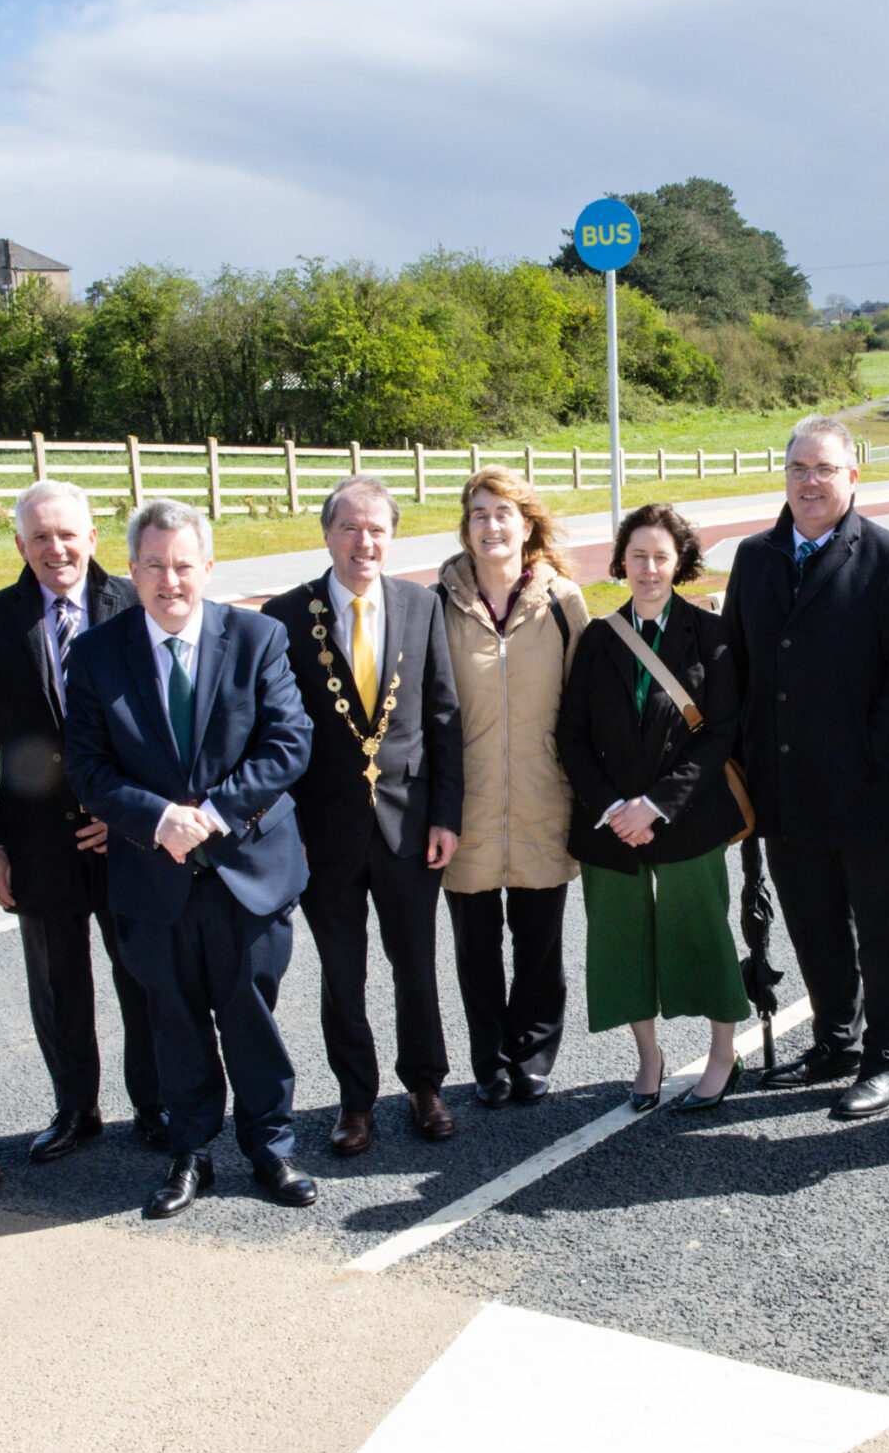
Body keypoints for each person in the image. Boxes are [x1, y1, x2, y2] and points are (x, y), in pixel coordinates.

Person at [64, 499, 317, 1212]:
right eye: (153, 565)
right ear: (132, 570)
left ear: (207, 567)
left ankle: (271, 1148)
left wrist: (208, 815)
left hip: (247, 870)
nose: (168, 580)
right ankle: (191, 1152)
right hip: (152, 876)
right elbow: (86, 766)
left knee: (251, 1016)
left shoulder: (258, 636)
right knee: (171, 1019)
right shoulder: (96, 653)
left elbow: (288, 742)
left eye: (182, 564)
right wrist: (156, 818)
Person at [726, 413, 889, 1119]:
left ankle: (885, 1057)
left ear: (853, 475)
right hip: (784, 788)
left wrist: (869, 747)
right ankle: (835, 1042)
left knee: (882, 931)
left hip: (868, 786)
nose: (810, 482)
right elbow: (737, 664)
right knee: (814, 926)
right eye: (798, 469)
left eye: (824, 469)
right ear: (783, 476)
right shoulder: (755, 557)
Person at [0, 479, 162, 1161]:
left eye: (67, 533)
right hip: (35, 841)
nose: (56, 548)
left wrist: (130, 811)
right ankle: (76, 1107)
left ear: (93, 536)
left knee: (141, 975)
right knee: (56, 981)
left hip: (124, 837)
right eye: (39, 537)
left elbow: (164, 727)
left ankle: (153, 1104)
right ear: (20, 544)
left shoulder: (133, 606)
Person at [262, 477, 464, 1156]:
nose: (364, 541)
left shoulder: (420, 604)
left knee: (416, 962)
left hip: (409, 825)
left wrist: (446, 815)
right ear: (326, 534)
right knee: (342, 972)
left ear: (392, 535)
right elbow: (272, 734)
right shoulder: (286, 615)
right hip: (324, 835)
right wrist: (287, 832)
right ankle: (355, 1100)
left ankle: (426, 1085)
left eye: (376, 528)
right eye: (349, 527)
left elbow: (442, 715)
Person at [556, 504, 751, 1112]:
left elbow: (720, 734)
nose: (648, 568)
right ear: (621, 562)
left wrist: (656, 805)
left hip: (688, 819)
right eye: (637, 555)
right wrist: (615, 806)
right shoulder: (597, 638)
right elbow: (571, 735)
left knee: (703, 935)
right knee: (621, 943)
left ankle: (724, 1053)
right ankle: (649, 1057)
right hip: (611, 824)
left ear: (680, 563)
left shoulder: (710, 633)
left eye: (660, 556)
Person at [435, 466, 589, 1108]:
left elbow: (586, 707)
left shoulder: (563, 602)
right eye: (479, 514)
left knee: (539, 943)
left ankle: (532, 1054)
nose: (491, 525)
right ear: (467, 530)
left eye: (503, 513)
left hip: (542, 798)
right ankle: (489, 1063)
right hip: (463, 808)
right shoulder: (437, 604)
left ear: (527, 526)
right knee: (475, 947)